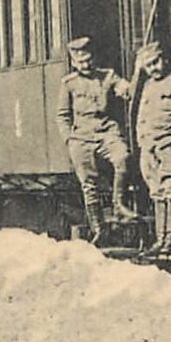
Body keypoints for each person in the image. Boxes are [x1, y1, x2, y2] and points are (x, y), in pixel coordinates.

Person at [56, 35, 136, 241]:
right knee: (88, 185)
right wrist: (69, 140)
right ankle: (99, 230)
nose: (85, 65)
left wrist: (127, 85)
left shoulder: (107, 76)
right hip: (81, 138)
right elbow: (62, 115)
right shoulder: (69, 84)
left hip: (106, 132)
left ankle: (119, 205)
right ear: (73, 62)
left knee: (123, 158)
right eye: (80, 62)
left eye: (88, 60)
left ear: (94, 58)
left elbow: (125, 89)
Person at [133, 41, 171, 256]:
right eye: (148, 66)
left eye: (156, 62)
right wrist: (142, 142)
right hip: (150, 149)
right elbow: (141, 115)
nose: (154, 68)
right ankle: (159, 240)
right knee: (157, 193)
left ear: (164, 58)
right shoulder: (148, 85)